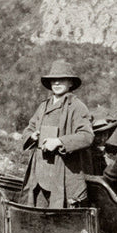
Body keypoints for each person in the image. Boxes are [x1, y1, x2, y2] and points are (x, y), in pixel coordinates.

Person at [20, 59, 94, 208]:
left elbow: (87, 136)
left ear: (71, 83)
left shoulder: (77, 107)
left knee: (60, 220)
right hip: (39, 176)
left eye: (62, 79)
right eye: (54, 80)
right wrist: (32, 135)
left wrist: (59, 142)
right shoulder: (43, 106)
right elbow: (29, 128)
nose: (57, 83)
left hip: (63, 176)